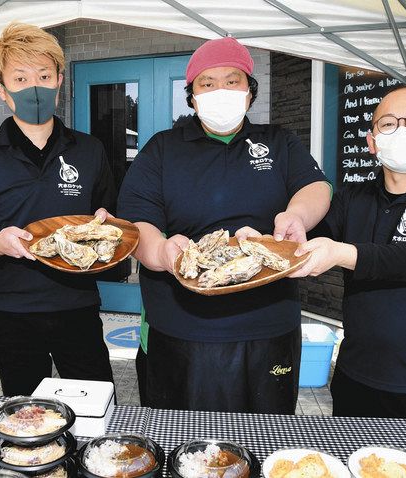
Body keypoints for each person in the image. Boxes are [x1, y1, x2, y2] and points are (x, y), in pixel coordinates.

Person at [117, 37, 331, 413]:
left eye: (232, 81)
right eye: (207, 83)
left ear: (250, 92)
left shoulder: (278, 141)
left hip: (269, 325)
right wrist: (164, 254)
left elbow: (315, 186)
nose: (221, 91)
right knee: (181, 442)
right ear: (192, 96)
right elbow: (138, 224)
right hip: (181, 325)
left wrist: (297, 215)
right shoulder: (163, 148)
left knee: (265, 440)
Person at [291, 85, 406, 420]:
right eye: (388, 124)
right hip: (355, 376)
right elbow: (306, 241)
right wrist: (271, 238)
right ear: (372, 141)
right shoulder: (352, 198)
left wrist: (342, 253)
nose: (402, 130)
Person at [0, 23, 116, 396]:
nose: (35, 88)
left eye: (44, 76)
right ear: (1, 89)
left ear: (60, 81)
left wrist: (107, 224)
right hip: (13, 309)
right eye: (21, 78)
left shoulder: (89, 150)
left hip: (78, 303)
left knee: (97, 404)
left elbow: (109, 214)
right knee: (24, 416)